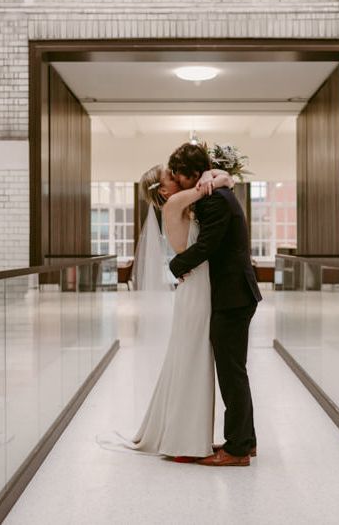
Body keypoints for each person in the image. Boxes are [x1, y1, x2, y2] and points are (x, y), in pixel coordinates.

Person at [108, 162, 234, 460]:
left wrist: (210, 175)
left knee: (190, 359)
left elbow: (221, 182)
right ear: (164, 189)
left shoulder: (181, 204)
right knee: (192, 360)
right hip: (196, 291)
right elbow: (224, 181)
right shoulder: (177, 201)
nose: (178, 176)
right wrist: (210, 174)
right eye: (171, 174)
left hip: (200, 287)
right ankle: (183, 441)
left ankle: (186, 436)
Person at [168, 143, 262, 467]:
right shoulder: (216, 193)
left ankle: (237, 450)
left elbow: (207, 245)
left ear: (192, 173)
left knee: (231, 372)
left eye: (178, 173)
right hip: (234, 295)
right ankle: (244, 440)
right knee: (235, 371)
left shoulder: (216, 201)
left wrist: (175, 266)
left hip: (233, 297)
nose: (175, 179)